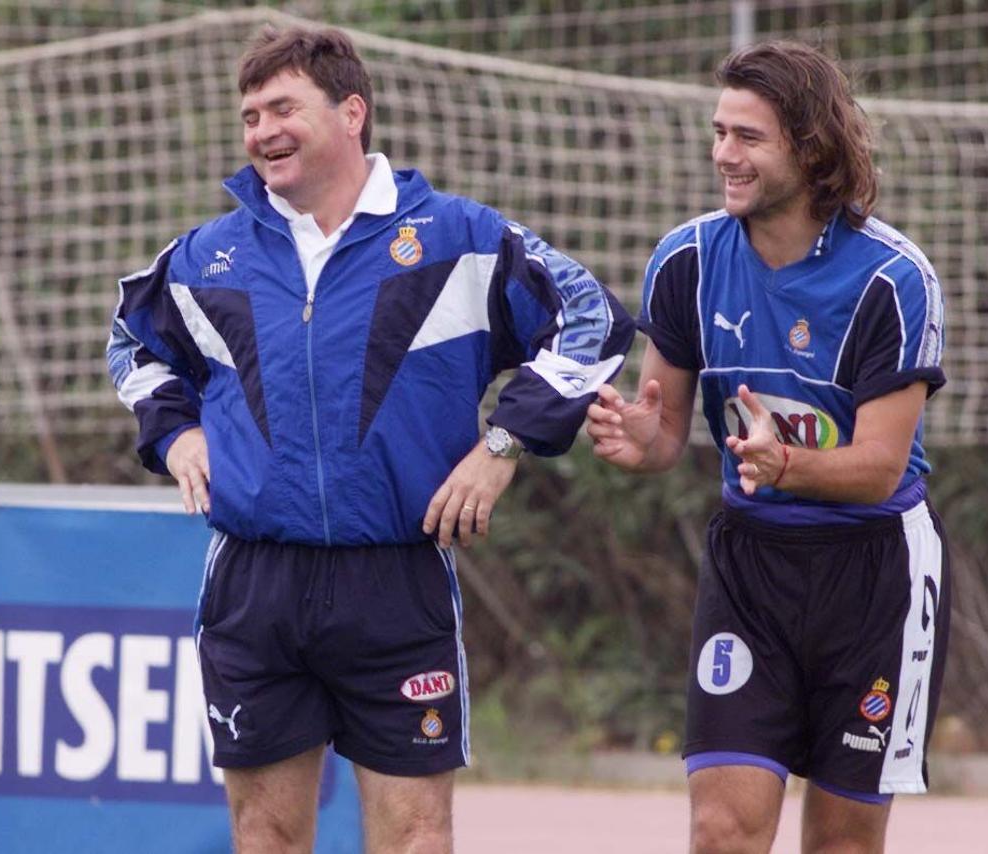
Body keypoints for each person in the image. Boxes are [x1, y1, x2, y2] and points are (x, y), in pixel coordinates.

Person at [106, 25, 633, 854]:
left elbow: (592, 320)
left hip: (396, 577)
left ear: (352, 112)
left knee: (416, 837)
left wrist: (502, 447)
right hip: (255, 583)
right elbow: (131, 345)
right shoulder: (209, 256)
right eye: (249, 116)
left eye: (283, 107)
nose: (261, 132)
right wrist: (174, 436)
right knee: (268, 835)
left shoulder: (457, 236)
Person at [587, 40, 950, 853]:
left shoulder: (893, 279)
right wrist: (639, 438)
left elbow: (878, 467)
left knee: (842, 843)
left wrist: (786, 464)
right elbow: (666, 431)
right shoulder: (687, 260)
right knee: (721, 832)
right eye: (719, 133)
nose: (724, 154)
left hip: (874, 574)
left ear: (810, 145)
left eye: (747, 137)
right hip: (751, 570)